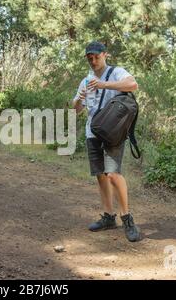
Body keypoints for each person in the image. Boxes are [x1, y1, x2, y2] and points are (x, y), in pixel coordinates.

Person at [72, 41, 142, 242]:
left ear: (104, 55)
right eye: (89, 58)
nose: (93, 61)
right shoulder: (85, 81)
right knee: (101, 175)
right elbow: (76, 110)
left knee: (113, 174)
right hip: (92, 132)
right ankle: (108, 216)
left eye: (96, 56)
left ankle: (127, 218)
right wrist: (79, 100)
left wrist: (104, 84)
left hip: (113, 133)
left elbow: (133, 85)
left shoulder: (116, 72)